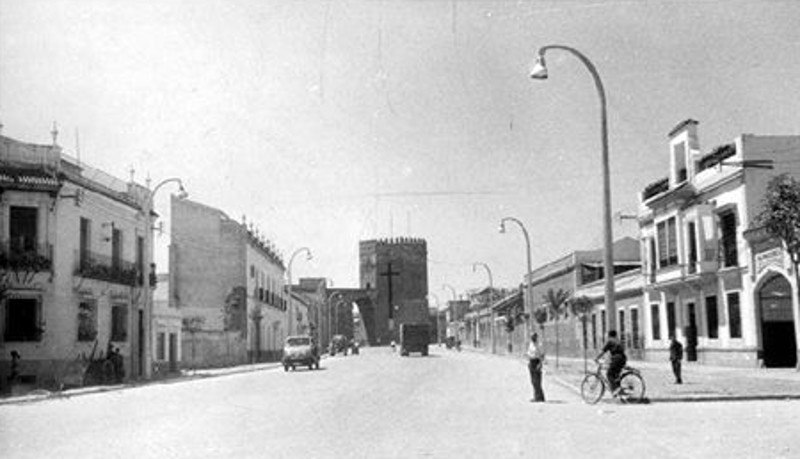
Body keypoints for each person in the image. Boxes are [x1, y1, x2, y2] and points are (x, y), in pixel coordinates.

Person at [596, 330, 627, 396]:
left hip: (616, 359)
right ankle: (616, 391)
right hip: (622, 358)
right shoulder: (617, 340)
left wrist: (597, 358)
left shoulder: (610, 341)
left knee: (609, 374)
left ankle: (617, 389)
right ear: (615, 335)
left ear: (609, 335)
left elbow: (603, 351)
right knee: (615, 375)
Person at [526, 333, 545, 402]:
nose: (533, 338)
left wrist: (540, 364)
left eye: (534, 337)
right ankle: (537, 396)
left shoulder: (539, 345)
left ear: (536, 337)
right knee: (533, 381)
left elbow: (542, 355)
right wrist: (528, 362)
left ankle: (540, 397)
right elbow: (529, 353)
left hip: (537, 362)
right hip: (531, 362)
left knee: (537, 381)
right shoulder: (530, 345)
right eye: (532, 337)